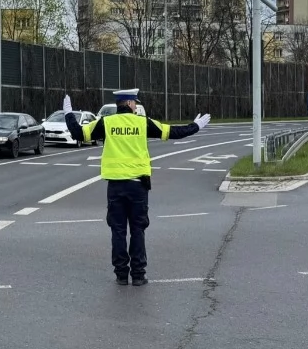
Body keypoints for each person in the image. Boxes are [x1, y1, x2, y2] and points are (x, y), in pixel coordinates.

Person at [63, 89, 211, 286]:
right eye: (135, 103)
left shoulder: (106, 123)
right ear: (131, 104)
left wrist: (68, 114)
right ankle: (139, 275)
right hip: (138, 187)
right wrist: (195, 126)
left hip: (115, 186)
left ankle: (121, 275)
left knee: (118, 231)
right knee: (138, 230)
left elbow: (79, 133)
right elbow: (172, 132)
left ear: (118, 104)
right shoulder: (142, 122)